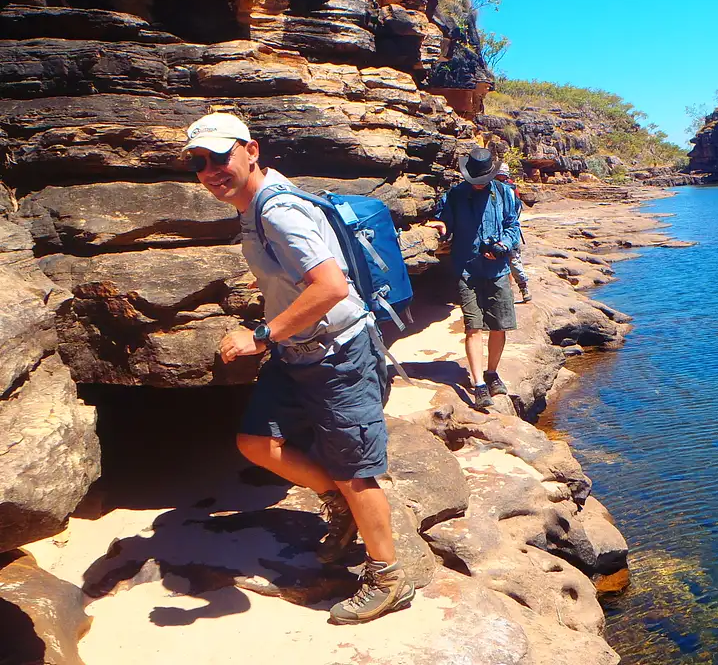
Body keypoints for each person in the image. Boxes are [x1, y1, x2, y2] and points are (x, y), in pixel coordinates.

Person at [182, 112, 413, 625]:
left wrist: (262, 334)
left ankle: (390, 576)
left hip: (338, 355)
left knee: (357, 472)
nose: (210, 170)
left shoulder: (278, 210)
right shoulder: (253, 205)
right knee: (256, 443)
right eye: (199, 162)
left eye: (220, 157)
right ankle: (340, 508)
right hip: (299, 350)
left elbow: (330, 287)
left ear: (251, 150)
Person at [425, 147, 522, 411]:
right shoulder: (455, 195)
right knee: (473, 326)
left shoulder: (505, 194)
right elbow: (444, 220)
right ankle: (479, 386)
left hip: (497, 270)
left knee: (499, 326)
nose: (478, 186)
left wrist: (503, 244)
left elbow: (514, 226)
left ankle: (492, 373)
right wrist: (441, 226)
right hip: (467, 269)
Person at [495, 162, 531, 303]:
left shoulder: (509, 190)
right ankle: (517, 290)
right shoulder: (509, 188)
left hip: (508, 231)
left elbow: (513, 214)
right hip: (506, 230)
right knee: (512, 262)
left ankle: (523, 288)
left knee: (513, 261)